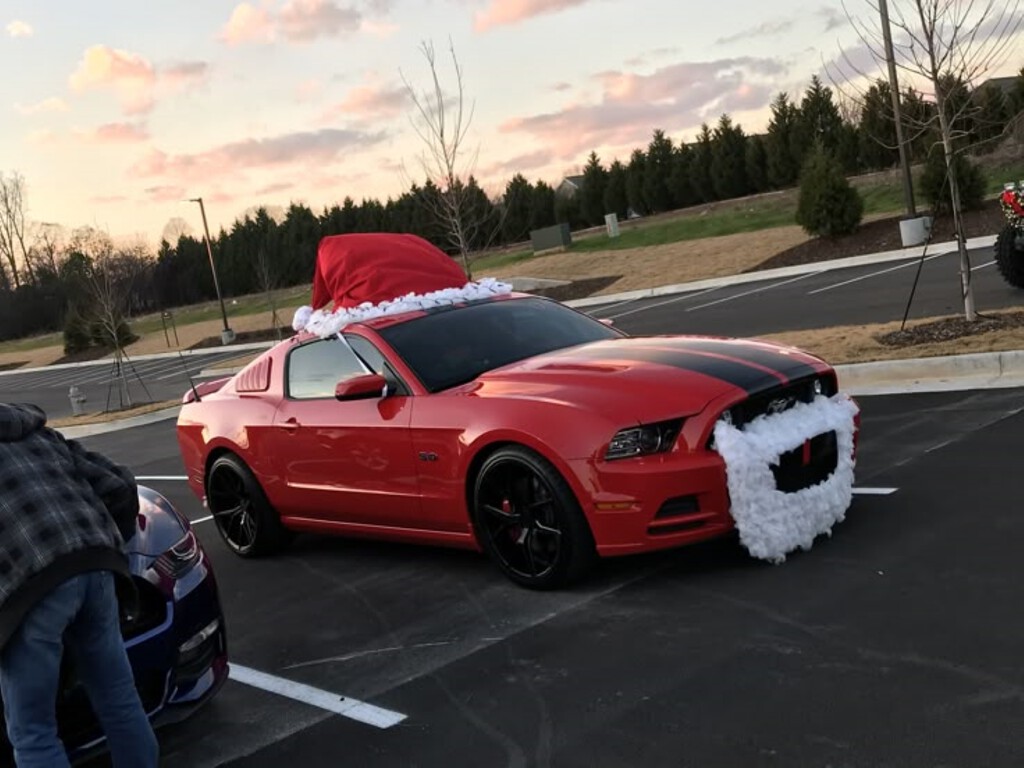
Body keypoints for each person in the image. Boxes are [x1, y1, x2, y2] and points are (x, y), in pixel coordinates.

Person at [0, 402, 158, 767]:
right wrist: (115, 546)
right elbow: (119, 485)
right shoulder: (37, 433)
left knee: (33, 731)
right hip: (97, 564)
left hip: (31, 587)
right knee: (119, 698)